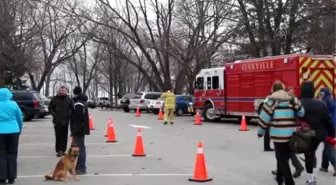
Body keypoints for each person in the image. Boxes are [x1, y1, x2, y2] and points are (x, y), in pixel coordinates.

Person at [257, 80, 305, 185]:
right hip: (292, 135)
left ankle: (289, 182)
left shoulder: (271, 102)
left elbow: (264, 119)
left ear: (273, 90)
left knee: (282, 160)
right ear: (283, 89)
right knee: (283, 158)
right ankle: (279, 179)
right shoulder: (293, 99)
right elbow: (302, 112)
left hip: (278, 136)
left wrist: (260, 132)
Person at [299, 82, 335, 184]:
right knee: (311, 153)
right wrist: (331, 134)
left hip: (303, 134)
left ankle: (310, 178)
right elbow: (327, 121)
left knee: (308, 154)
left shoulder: (298, 103)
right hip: (318, 135)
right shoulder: (321, 104)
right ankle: (312, 176)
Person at [270, 87, 305, 178]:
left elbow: (299, 113)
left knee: (283, 152)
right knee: (287, 151)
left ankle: (283, 171)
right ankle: (283, 170)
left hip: (288, 130)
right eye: (289, 92)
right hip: (290, 129)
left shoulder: (293, 102)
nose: (291, 93)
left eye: (292, 92)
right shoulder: (293, 101)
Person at [0, 86, 23, 184]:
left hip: (1, 131)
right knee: (12, 154)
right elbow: (20, 118)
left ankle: (2, 176)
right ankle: (12, 177)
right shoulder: (14, 104)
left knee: (1, 154)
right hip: (13, 130)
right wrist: (19, 129)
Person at [48, 86, 74, 157]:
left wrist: (70, 115)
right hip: (57, 121)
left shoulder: (69, 99)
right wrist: (54, 115)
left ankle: (63, 150)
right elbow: (50, 108)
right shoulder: (55, 99)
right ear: (59, 91)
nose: (62, 91)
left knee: (64, 136)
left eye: (64, 90)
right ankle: (58, 150)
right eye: (61, 90)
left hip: (65, 121)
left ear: (66, 91)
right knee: (59, 136)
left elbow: (72, 108)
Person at [70, 86, 90, 175]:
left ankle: (81, 168)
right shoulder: (82, 102)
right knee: (81, 147)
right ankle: (79, 167)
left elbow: (78, 118)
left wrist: (74, 129)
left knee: (80, 148)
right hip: (81, 127)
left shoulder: (78, 104)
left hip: (78, 128)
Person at [318, 87, 336, 176]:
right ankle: (324, 166)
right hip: (334, 125)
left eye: (321, 94)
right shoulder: (333, 101)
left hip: (328, 127)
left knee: (329, 147)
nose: (320, 96)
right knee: (326, 146)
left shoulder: (324, 102)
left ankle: (335, 164)